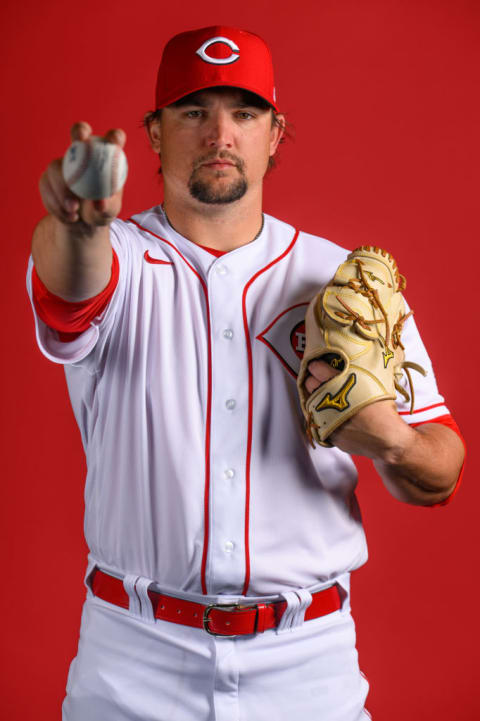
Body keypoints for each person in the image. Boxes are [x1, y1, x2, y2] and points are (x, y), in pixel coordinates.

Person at [27, 25, 465, 721]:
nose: (220, 133)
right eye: (194, 111)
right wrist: (78, 223)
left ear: (276, 132)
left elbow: (442, 468)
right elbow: (72, 278)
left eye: (245, 112)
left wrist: (392, 440)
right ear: (155, 133)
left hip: (307, 667)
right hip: (132, 661)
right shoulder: (121, 260)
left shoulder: (341, 281)